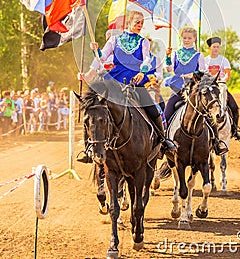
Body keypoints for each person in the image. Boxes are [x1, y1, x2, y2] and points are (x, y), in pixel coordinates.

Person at [78, 10, 177, 163]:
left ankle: (162, 140)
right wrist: (96, 52)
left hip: (134, 81)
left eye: (142, 23)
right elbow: (102, 57)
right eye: (137, 22)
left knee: (152, 108)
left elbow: (146, 60)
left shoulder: (143, 41)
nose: (140, 25)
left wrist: (143, 72)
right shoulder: (114, 40)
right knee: (94, 109)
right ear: (129, 22)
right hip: (114, 80)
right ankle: (88, 149)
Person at [164, 27, 228, 156]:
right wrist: (167, 56)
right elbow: (169, 69)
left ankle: (216, 142)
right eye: (185, 38)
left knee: (208, 113)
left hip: (194, 88)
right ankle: (163, 142)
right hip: (178, 87)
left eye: (190, 38)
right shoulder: (175, 53)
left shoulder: (198, 55)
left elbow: (203, 70)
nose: (187, 40)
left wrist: (192, 74)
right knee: (167, 111)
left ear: (194, 39)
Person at [205, 36, 240, 140]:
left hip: (221, 86)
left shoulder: (223, 60)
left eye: (218, 47)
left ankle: (234, 129)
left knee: (234, 107)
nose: (216, 49)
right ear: (209, 48)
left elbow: (227, 74)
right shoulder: (205, 61)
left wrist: (222, 80)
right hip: (209, 88)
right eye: (214, 47)